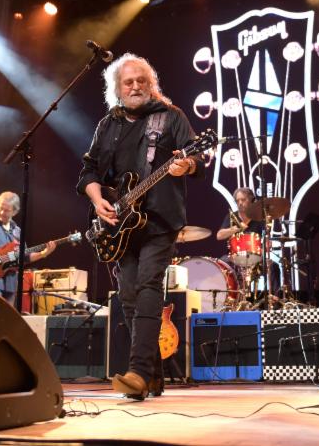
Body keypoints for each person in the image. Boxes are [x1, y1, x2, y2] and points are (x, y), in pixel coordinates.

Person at [77, 53, 202, 400]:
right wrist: (96, 199)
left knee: (148, 285)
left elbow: (196, 156)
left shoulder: (171, 117)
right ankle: (154, 375)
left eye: (141, 81)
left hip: (160, 219)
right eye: (128, 82)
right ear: (117, 88)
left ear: (152, 85)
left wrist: (185, 165)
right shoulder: (108, 124)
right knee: (129, 296)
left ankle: (137, 372)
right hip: (120, 224)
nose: (135, 86)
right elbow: (89, 171)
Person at [0, 191, 57, 305]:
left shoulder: (17, 231)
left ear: (15, 212)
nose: (1, 212)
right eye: (0, 208)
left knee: (6, 319)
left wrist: (43, 253)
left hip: (11, 284)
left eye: (6, 210)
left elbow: (24, 257)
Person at [215, 187, 280, 303]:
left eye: (243, 200)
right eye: (238, 200)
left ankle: (275, 300)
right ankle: (225, 299)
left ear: (251, 200)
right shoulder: (232, 217)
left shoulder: (259, 218)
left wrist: (266, 244)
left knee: (273, 266)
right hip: (235, 257)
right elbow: (219, 235)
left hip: (255, 257)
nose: (240, 203)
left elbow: (266, 240)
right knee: (222, 263)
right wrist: (236, 228)